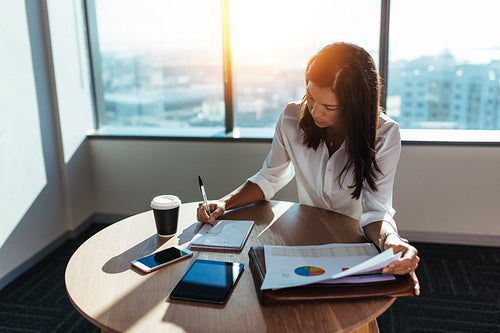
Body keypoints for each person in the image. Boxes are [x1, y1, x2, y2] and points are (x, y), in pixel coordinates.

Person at [197, 42, 420, 295]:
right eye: (311, 98)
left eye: (329, 106)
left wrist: (390, 240)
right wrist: (225, 203)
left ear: (355, 105)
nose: (315, 112)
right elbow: (270, 177)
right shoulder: (291, 117)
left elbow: (375, 211)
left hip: (355, 242)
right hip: (307, 234)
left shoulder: (385, 134)